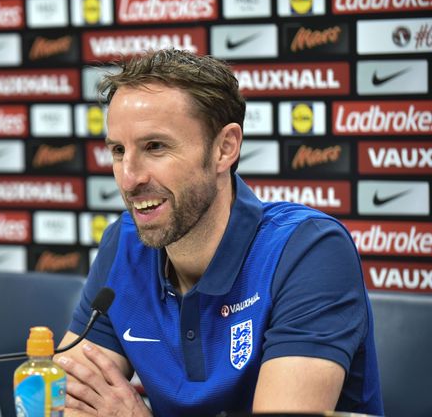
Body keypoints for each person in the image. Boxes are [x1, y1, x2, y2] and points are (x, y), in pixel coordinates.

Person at [54, 49, 383, 417]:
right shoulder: (125, 243)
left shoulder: (308, 250)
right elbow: (68, 400)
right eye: (118, 150)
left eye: (155, 147)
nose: (129, 178)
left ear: (225, 148)